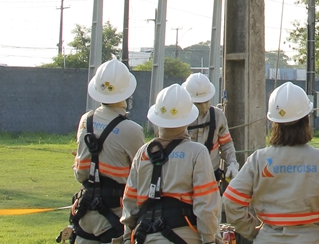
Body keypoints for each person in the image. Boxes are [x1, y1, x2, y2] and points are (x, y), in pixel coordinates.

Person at [223, 82, 319, 244]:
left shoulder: (258, 160)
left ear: (273, 122)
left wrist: (253, 232)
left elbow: (231, 201)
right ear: (306, 118)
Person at [121, 84, 221, 244]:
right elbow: (206, 205)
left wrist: (127, 237)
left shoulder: (143, 153)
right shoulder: (197, 153)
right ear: (188, 117)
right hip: (184, 236)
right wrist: (209, 239)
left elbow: (130, 201)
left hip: (145, 236)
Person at [68, 58, 145, 244]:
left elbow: (81, 171)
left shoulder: (87, 120)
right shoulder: (132, 130)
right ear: (127, 92)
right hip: (116, 216)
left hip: (85, 213)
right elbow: (143, 176)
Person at [182, 73, 238, 188]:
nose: (202, 106)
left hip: (210, 181)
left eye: (205, 101)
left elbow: (226, 143)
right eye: (197, 103)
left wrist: (232, 162)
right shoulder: (180, 118)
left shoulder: (217, 116)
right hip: (183, 181)